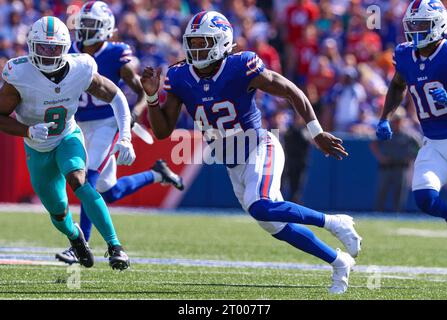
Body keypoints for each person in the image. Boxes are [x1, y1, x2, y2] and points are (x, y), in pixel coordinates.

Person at [140, 11, 362, 294]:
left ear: (222, 42)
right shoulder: (179, 75)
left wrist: (316, 131)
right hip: (232, 162)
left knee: (260, 204)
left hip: (259, 147)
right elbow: (162, 132)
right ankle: (338, 261)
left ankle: (333, 221)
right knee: (275, 226)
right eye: (192, 43)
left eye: (203, 42)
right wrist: (150, 96)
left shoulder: (240, 65)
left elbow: (291, 90)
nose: (196, 49)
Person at [55, 0, 184, 265]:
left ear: (106, 29)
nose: (85, 28)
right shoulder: (68, 50)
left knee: (86, 179)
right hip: (78, 126)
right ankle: (157, 173)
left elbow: (140, 92)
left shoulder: (116, 54)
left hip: (107, 124)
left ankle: (81, 244)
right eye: (83, 23)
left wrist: (133, 116)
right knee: (107, 192)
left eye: (91, 24)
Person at [0, 16, 133, 270]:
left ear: (66, 47)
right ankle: (75, 237)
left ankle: (115, 246)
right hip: (38, 150)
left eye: (54, 48)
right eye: (43, 48)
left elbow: (116, 97)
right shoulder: (20, 74)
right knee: (58, 211)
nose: (49, 54)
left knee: (78, 180)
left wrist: (125, 135)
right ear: (31, 46)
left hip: (66, 137)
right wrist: (26, 130)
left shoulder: (80, 67)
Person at [376, 0, 447, 237]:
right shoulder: (405, 54)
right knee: (424, 197)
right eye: (413, 25)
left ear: (439, 24)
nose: (416, 30)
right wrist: (384, 117)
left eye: (422, 24)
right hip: (433, 143)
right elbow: (398, 85)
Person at [371, 108, 420, 212]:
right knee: (382, 191)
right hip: (386, 167)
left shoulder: (408, 135)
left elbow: (419, 146)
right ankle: (377, 213)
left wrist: (411, 156)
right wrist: (380, 157)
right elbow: (373, 143)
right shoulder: (385, 132)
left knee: (400, 193)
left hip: (401, 167)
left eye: (398, 120)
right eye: (394, 120)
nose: (396, 122)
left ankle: (397, 214)